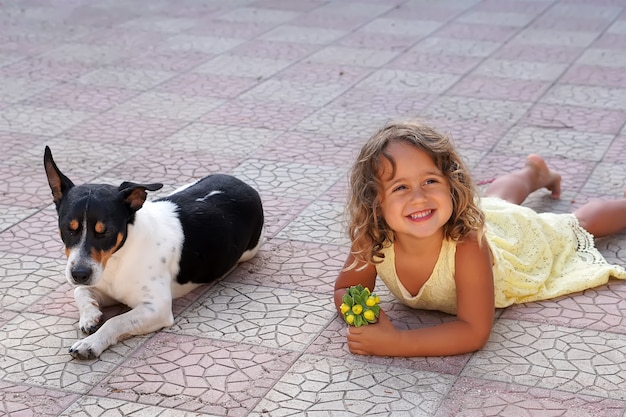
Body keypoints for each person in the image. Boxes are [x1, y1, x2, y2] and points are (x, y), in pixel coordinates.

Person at [334, 120, 626, 357]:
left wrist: (397, 343)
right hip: (491, 218)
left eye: (430, 181)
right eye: (400, 188)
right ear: (375, 201)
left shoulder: (468, 246)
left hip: (514, 245)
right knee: (498, 200)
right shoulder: (371, 237)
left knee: (574, 225)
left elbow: (474, 331)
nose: (419, 198)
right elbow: (347, 288)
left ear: (452, 184)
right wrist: (364, 317)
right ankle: (535, 173)